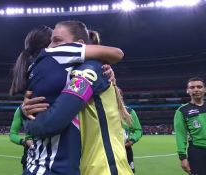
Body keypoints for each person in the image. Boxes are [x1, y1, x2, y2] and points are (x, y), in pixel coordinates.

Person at [21, 22, 132, 175]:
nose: (50, 47)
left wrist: (27, 121)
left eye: (57, 41)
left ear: (79, 45)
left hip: (105, 168)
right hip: (91, 167)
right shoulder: (85, 71)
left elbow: (51, 123)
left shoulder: (88, 71)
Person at [174, 77, 206, 175]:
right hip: (198, 153)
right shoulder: (182, 110)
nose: (196, 89)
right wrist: (182, 157)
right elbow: (180, 135)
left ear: (205, 89)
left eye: (199, 87)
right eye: (192, 87)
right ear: (188, 91)